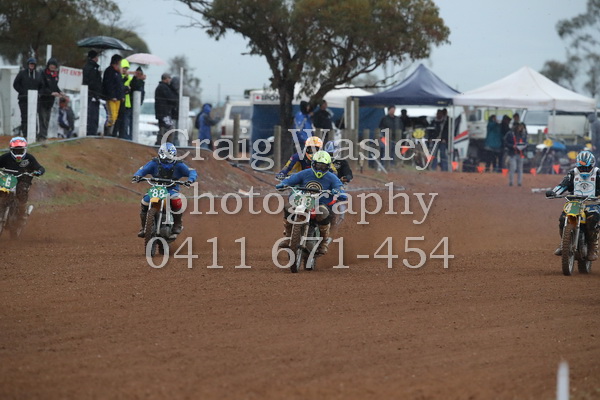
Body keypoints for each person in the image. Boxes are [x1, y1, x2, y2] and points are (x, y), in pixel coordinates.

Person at [275, 150, 343, 255]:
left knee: (323, 212)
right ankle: (288, 237)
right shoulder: (305, 173)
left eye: (323, 166)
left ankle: (323, 242)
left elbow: (339, 187)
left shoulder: (332, 177)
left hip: (321, 203)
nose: (320, 169)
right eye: (318, 165)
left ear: (328, 166)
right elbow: (291, 179)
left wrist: (339, 192)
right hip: (303, 201)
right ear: (313, 164)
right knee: (288, 207)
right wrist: (283, 184)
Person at [132, 142, 197, 237]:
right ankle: (144, 227)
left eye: (168, 157)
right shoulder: (154, 163)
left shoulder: (179, 164)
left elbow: (191, 171)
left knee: (175, 199)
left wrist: (190, 180)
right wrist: (137, 176)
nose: (166, 159)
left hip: (171, 187)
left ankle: (177, 224)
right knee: (145, 202)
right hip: (156, 187)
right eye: (164, 156)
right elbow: (143, 169)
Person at [546, 150, 600, 260]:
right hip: (575, 202)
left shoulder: (598, 173)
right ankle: (564, 244)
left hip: (593, 202)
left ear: (592, 165)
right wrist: (554, 192)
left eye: (586, 167)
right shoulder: (572, 173)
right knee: (563, 218)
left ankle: (592, 247)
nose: (583, 170)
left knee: (593, 219)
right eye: (581, 167)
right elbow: (563, 185)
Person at [0, 137, 45, 224]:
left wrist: (39, 171)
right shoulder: (5, 157)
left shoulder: (29, 158)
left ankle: (22, 212)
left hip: (23, 179)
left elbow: (39, 167)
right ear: (11, 150)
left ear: (25, 149)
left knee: (22, 192)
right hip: (8, 179)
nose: (18, 153)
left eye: (20, 151)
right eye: (16, 151)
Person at [13, 57, 41, 136]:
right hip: (23, 99)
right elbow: (15, 84)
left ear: (35, 65)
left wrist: (38, 94)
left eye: (33, 64)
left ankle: (34, 134)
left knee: (34, 117)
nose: (32, 65)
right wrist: (22, 92)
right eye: (30, 63)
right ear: (28, 64)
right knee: (24, 117)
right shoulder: (22, 73)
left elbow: (41, 85)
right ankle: (25, 134)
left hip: (34, 100)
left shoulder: (38, 75)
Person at [38, 58, 65, 141]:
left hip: (50, 101)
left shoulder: (55, 75)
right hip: (43, 99)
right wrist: (51, 93)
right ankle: (42, 136)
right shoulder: (43, 73)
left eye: (54, 65)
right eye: (51, 65)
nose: (52, 67)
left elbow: (55, 86)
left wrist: (60, 92)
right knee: (42, 118)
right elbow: (42, 87)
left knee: (47, 118)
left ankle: (44, 135)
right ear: (48, 65)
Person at [102, 54, 124, 137]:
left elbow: (120, 85)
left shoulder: (118, 73)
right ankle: (107, 132)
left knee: (115, 116)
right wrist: (111, 96)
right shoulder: (109, 71)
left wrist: (122, 96)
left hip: (118, 98)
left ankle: (111, 133)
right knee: (112, 116)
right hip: (111, 98)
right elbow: (108, 85)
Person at [82, 50, 102, 136]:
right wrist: (95, 94)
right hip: (92, 95)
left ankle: (93, 132)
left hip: (94, 95)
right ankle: (91, 133)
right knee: (92, 115)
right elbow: (92, 82)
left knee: (94, 115)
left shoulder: (93, 67)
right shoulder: (91, 68)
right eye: (96, 56)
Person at [154, 73, 178, 145]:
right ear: (166, 79)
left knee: (166, 129)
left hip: (164, 113)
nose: (170, 80)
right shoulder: (163, 88)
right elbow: (171, 98)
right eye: (169, 78)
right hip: (164, 113)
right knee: (167, 129)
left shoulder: (164, 87)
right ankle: (161, 144)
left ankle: (163, 144)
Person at [115, 59, 133, 140]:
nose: (125, 70)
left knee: (125, 124)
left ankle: (124, 138)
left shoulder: (129, 78)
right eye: (124, 68)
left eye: (126, 68)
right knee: (118, 122)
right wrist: (126, 88)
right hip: (119, 102)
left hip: (127, 104)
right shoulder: (118, 77)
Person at [504, 122, 527, 186]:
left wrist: (524, 145)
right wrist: (512, 146)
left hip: (520, 153)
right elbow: (505, 142)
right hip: (512, 153)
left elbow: (526, 141)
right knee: (513, 168)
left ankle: (519, 182)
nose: (520, 128)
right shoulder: (510, 134)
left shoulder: (523, 134)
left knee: (520, 168)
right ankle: (511, 182)